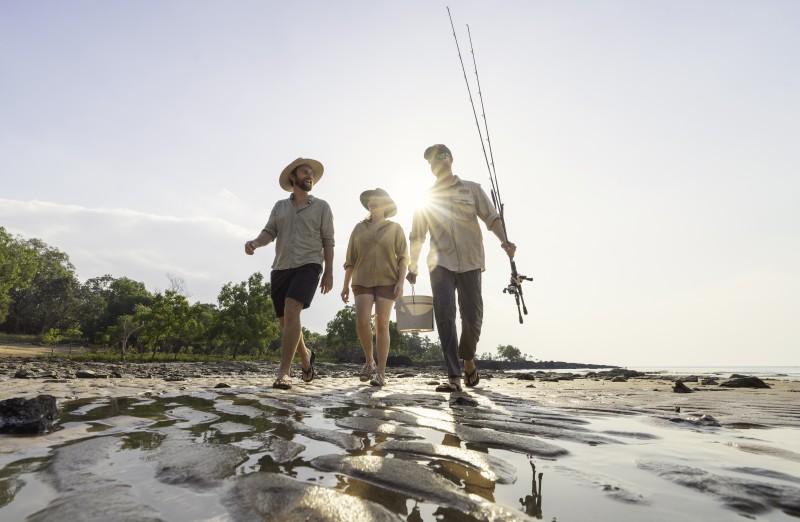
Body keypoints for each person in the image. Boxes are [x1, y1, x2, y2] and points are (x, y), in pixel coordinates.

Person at [406, 144, 516, 392]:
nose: (438, 161)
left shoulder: (472, 188)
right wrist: (412, 265)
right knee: (445, 315)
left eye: (441, 156)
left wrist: (504, 241)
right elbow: (417, 236)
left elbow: (491, 217)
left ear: (451, 159)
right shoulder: (425, 198)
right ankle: (453, 376)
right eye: (432, 160)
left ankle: (468, 359)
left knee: (473, 316)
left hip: (471, 261)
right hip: (440, 263)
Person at [244, 157, 334, 390]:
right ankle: (305, 357)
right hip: (281, 265)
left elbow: (328, 241)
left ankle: (283, 373)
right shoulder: (280, 206)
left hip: (310, 263)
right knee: (286, 321)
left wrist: (329, 273)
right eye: (304, 172)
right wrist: (255, 242)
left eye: (311, 173)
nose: (309, 176)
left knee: (293, 308)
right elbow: (269, 231)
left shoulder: (322, 206)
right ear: (293, 177)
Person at [341, 188, 408, 387]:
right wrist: (345, 285)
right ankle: (369, 361)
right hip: (361, 279)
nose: (372, 202)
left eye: (376, 200)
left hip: (388, 280)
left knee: (382, 325)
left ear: (385, 204)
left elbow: (403, 257)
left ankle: (381, 373)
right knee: (362, 322)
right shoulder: (358, 228)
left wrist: (401, 281)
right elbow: (350, 259)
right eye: (370, 200)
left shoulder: (395, 228)